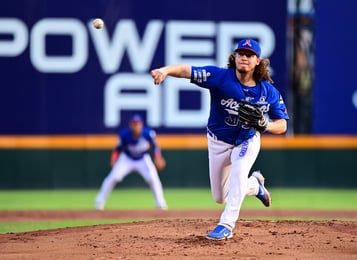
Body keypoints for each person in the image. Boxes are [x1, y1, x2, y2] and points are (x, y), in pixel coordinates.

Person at [151, 38, 289, 240]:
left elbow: (283, 124)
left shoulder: (268, 91)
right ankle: (255, 186)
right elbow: (185, 70)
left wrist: (266, 125)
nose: (244, 57)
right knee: (220, 196)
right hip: (218, 141)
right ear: (235, 57)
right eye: (241, 53)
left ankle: (226, 225)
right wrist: (165, 71)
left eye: (250, 55)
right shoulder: (220, 77)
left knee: (239, 172)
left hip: (247, 140)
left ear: (257, 61)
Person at [95, 114, 168, 210]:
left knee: (153, 178)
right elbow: (117, 149)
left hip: (143, 159)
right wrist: (113, 159)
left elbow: (156, 147)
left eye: (137, 124)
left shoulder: (148, 134)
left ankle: (160, 203)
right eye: (134, 124)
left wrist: (158, 157)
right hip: (127, 159)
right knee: (113, 177)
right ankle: (99, 202)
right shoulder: (124, 134)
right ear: (130, 125)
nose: (136, 126)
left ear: (141, 125)